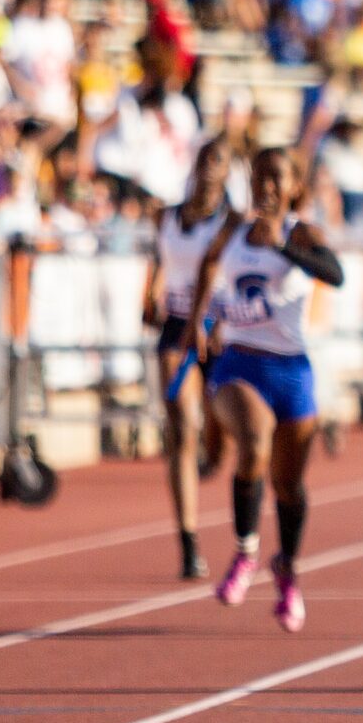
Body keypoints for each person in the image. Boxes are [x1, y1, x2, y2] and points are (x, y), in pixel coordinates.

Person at [185, 148, 344, 633]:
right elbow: (208, 267)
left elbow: (335, 275)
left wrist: (283, 247)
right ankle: (246, 552)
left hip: (292, 372)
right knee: (253, 441)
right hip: (239, 361)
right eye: (260, 177)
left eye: (277, 178)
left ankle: (288, 570)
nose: (267, 187)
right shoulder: (233, 229)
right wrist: (200, 319)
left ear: (295, 187)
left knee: (290, 486)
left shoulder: (302, 233)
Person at [150, 142, 237, 582]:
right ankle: (188, 542)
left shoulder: (233, 222)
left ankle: (216, 448)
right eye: (204, 159)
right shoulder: (166, 216)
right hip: (178, 328)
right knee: (182, 424)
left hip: (220, 330)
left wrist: (225, 319)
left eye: (217, 161)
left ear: (227, 173)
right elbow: (161, 260)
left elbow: (236, 273)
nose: (208, 168)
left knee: (219, 428)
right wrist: (151, 293)